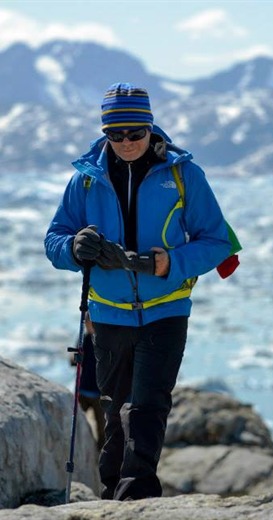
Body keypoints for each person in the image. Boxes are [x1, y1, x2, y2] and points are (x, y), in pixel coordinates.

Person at [45, 83, 232, 500]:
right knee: (115, 411)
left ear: (150, 128)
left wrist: (169, 263)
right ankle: (116, 491)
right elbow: (54, 239)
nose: (126, 143)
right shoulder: (86, 180)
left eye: (135, 133)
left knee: (147, 406)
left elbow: (217, 242)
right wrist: (74, 249)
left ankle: (137, 494)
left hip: (166, 309)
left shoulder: (184, 176)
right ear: (105, 131)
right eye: (116, 134)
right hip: (108, 313)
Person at [71, 312, 105, 451]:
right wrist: (75, 358)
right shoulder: (83, 339)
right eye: (85, 322)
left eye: (88, 322)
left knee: (102, 428)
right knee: (75, 422)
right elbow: (73, 362)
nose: (86, 324)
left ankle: (100, 455)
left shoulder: (104, 341)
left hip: (99, 393)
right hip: (83, 390)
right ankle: (78, 449)